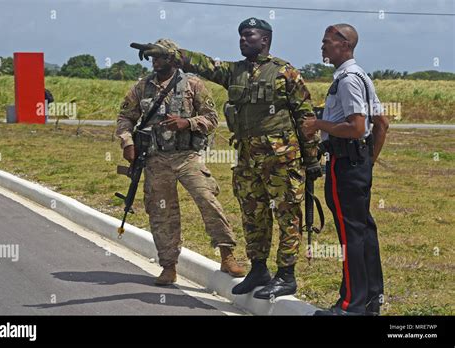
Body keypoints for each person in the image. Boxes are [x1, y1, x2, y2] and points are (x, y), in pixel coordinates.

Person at [132, 18, 321, 299]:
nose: (243, 40)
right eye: (241, 36)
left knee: (287, 215)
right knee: (253, 215)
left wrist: (312, 159)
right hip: (247, 159)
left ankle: (286, 275)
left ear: (265, 40)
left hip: (280, 159)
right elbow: (204, 64)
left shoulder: (285, 73)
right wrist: (170, 53)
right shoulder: (234, 72)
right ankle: (259, 269)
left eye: (249, 35)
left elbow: (306, 117)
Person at [116, 39, 246, 286]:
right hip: (156, 159)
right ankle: (168, 266)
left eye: (159, 57)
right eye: (152, 58)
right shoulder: (142, 87)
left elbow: (212, 118)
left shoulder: (193, 84)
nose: (155, 62)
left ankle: (227, 254)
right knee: (161, 211)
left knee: (207, 200)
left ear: (172, 59)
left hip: (187, 156)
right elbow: (125, 117)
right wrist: (127, 142)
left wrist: (187, 123)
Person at [302, 24, 389, 315]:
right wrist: (368, 162)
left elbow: (357, 126)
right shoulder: (361, 75)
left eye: (327, 42)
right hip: (357, 164)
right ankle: (370, 300)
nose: (322, 47)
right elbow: (382, 124)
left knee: (349, 236)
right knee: (363, 232)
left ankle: (351, 306)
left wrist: (318, 124)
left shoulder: (347, 80)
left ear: (345, 44)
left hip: (345, 164)